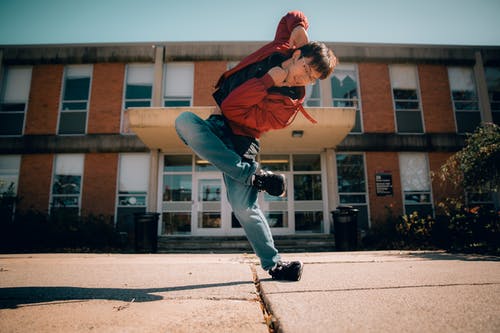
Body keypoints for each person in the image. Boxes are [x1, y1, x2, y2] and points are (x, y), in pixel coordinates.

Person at [175, 10, 337, 281]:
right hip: (216, 128)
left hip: (242, 142)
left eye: (312, 78)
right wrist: (299, 27)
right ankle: (253, 177)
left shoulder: (287, 107)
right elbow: (290, 17)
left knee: (244, 209)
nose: (304, 78)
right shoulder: (280, 49)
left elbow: (233, 109)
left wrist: (268, 81)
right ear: (297, 54)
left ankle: (274, 264)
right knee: (184, 122)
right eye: (306, 68)